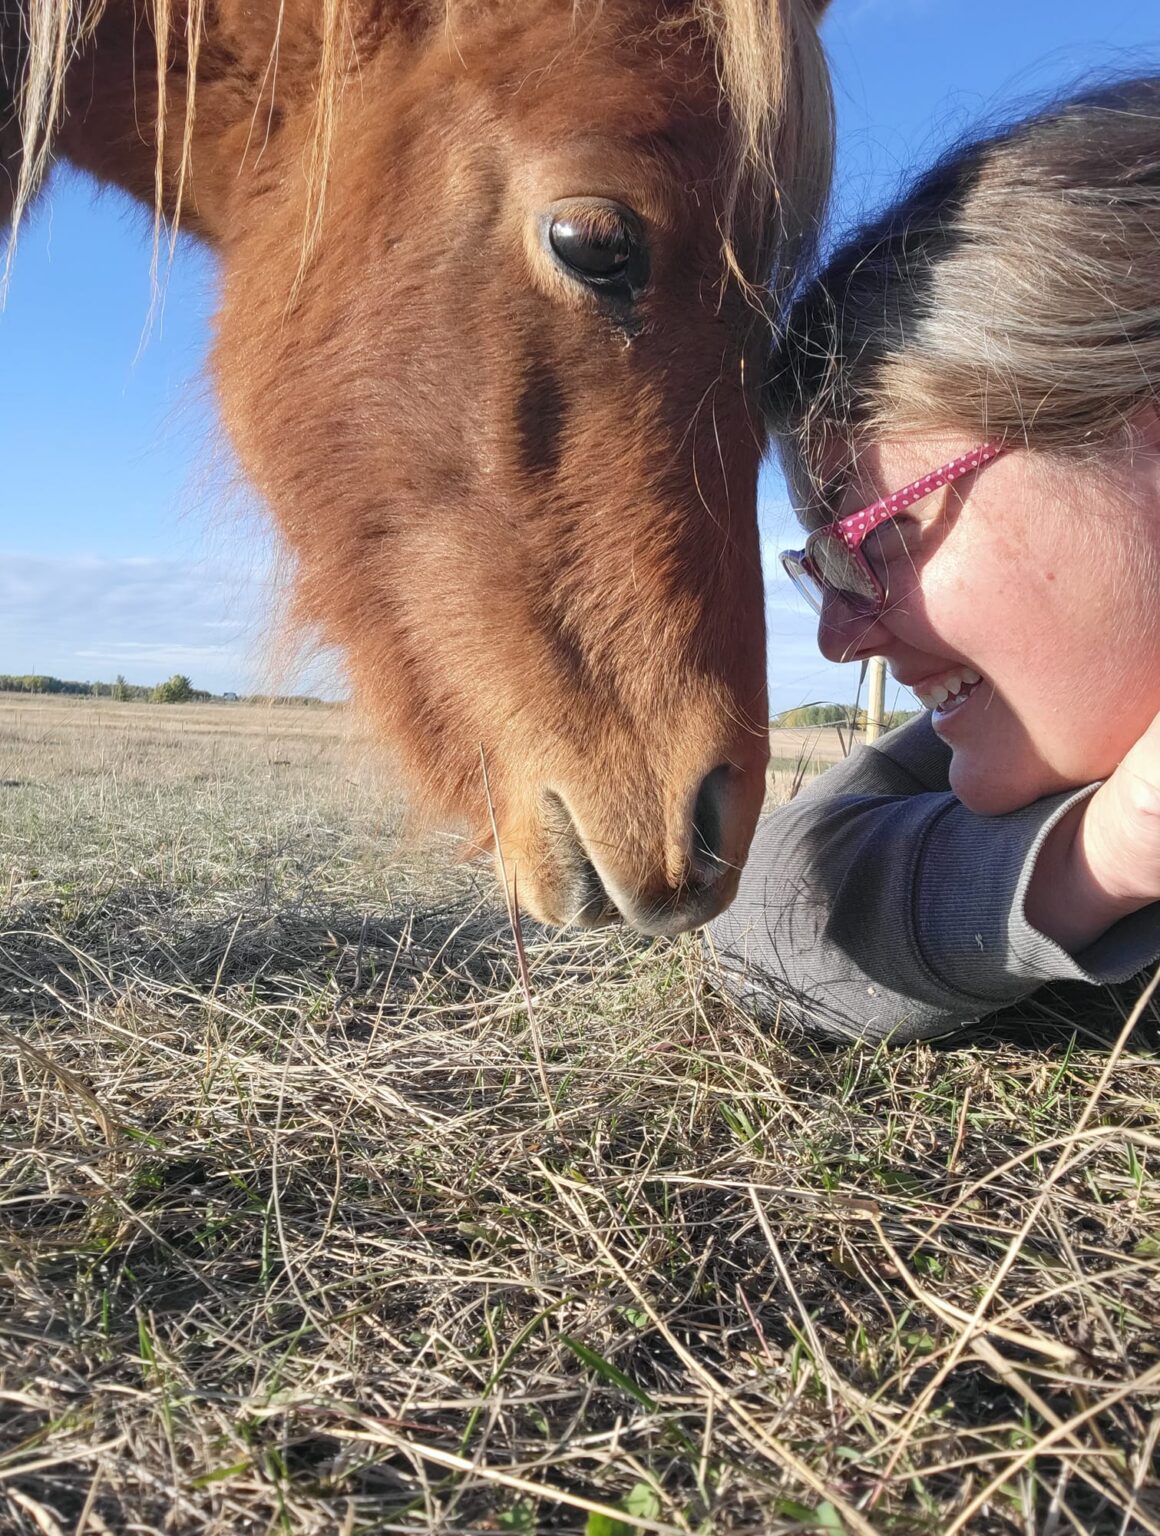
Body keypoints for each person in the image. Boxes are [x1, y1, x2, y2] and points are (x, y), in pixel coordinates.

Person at [709, 75, 1160, 1042]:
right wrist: (1105, 855)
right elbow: (779, 899)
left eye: (876, 534)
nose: (839, 637)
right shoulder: (1072, 742)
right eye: (826, 563)